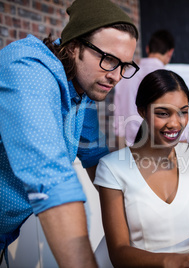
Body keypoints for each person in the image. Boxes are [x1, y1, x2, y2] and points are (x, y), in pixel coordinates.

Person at [0, 0, 139, 267]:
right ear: (74, 46)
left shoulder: (82, 89)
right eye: (109, 59)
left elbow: (95, 158)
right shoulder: (29, 70)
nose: (117, 76)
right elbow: (52, 182)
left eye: (125, 65)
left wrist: (140, 216)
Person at [94, 69, 189, 267]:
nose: (175, 123)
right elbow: (118, 254)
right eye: (163, 113)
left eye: (183, 112)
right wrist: (173, 261)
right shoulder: (112, 168)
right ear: (142, 111)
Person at [114, 29, 175, 149]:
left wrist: (121, 154)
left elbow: (118, 121)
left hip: (129, 147)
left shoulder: (124, 76)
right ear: (170, 53)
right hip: (159, 146)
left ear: (147, 49)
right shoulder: (169, 77)